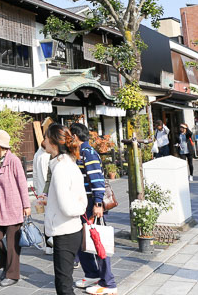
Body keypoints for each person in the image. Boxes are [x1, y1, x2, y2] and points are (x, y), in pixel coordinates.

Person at [71, 123, 116, 295]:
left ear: (75, 136)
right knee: (82, 240)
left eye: (69, 136)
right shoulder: (79, 153)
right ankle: (92, 274)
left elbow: (97, 179)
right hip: (83, 202)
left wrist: (98, 204)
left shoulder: (87, 153)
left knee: (98, 241)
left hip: (91, 202)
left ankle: (109, 282)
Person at [42, 124, 88, 295]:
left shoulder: (61, 168)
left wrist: (59, 207)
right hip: (70, 228)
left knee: (63, 285)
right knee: (64, 282)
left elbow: (68, 207)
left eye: (46, 137)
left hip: (65, 231)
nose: (43, 141)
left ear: (53, 142)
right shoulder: (67, 163)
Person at [0, 129, 31, 288]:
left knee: (13, 243)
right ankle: (7, 265)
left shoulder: (13, 160)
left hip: (13, 206)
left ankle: (13, 274)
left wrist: (26, 205)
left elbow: (22, 184)